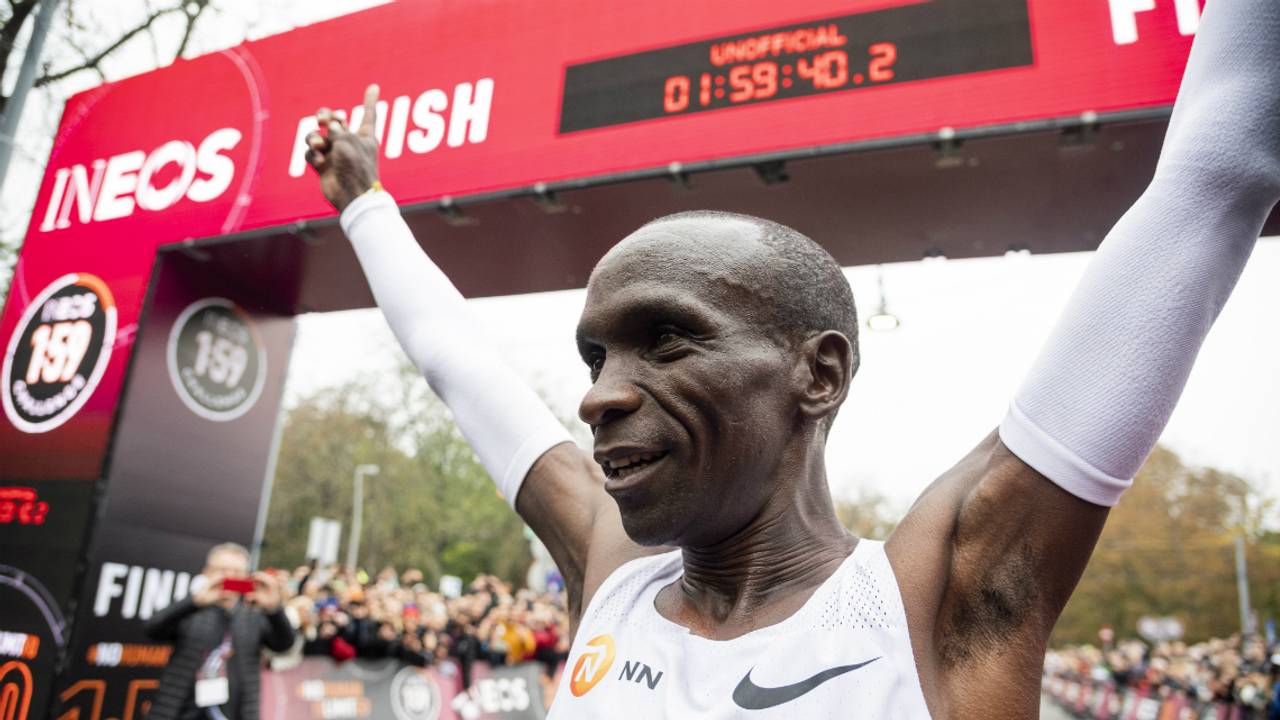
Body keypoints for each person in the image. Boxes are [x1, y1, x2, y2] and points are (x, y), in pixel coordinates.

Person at [303, 0, 1278, 713]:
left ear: (818, 373)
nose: (598, 398)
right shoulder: (611, 573)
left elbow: (1215, 175)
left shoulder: (935, 601)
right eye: (594, 356)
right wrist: (365, 203)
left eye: (665, 340)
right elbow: (455, 362)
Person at [143, 543, 294, 720]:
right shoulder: (191, 609)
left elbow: (283, 645)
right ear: (207, 572)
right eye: (222, 570)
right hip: (180, 710)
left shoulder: (254, 613)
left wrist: (275, 610)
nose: (229, 577)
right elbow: (152, 630)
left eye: (237, 572)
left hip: (235, 712)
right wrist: (194, 602)